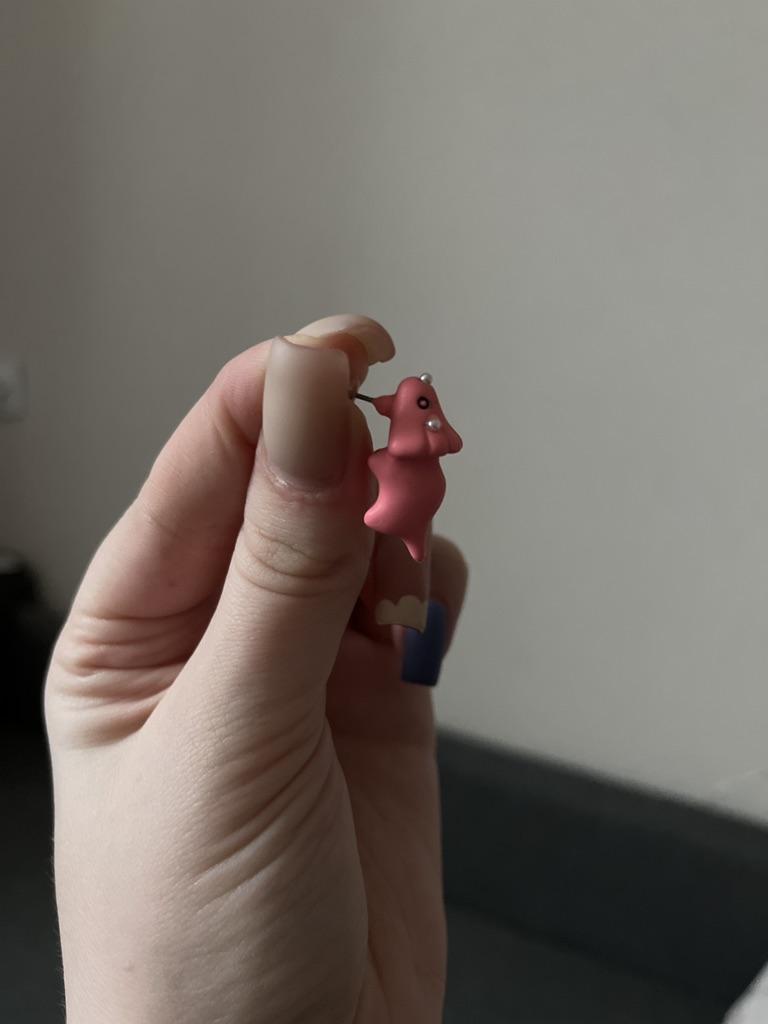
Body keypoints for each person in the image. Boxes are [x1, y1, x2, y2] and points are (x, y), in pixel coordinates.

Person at [44, 314, 468, 1024]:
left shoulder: (417, 441)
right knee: (411, 581)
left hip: (399, 523)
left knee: (418, 572)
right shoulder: (396, 450)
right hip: (390, 518)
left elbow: (436, 441)